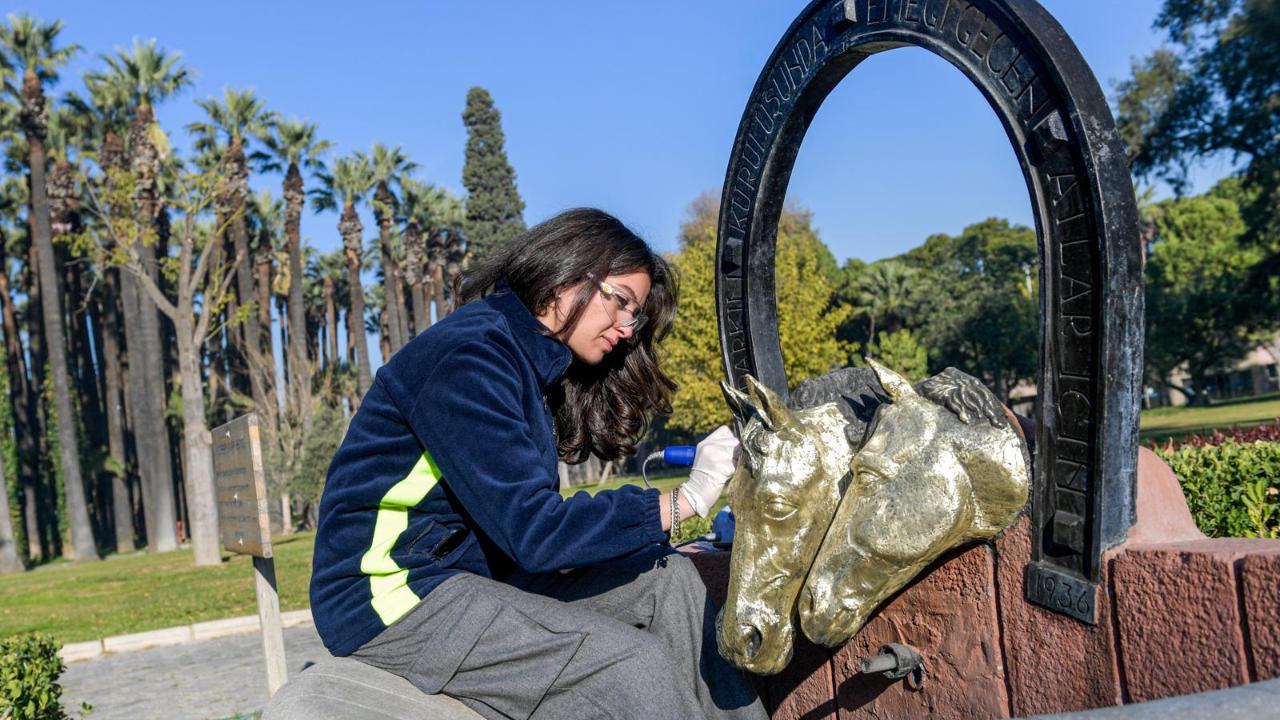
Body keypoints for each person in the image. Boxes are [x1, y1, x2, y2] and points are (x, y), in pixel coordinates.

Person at [310, 208, 767, 720]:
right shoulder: (468, 358)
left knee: (671, 581)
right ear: (564, 277)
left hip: (470, 577)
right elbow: (536, 531)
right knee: (630, 668)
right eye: (620, 303)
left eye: (634, 316)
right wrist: (688, 499)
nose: (626, 328)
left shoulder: (525, 363)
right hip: (392, 593)